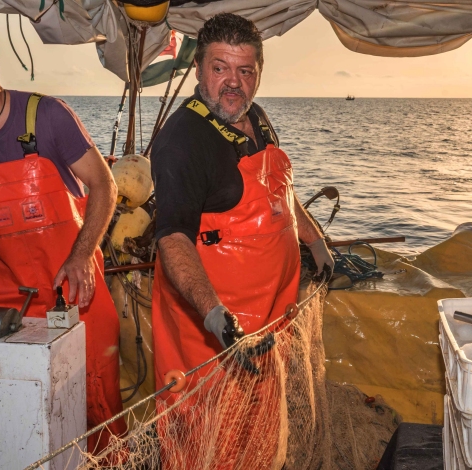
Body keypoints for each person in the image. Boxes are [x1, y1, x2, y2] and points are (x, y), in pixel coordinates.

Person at [0, 26, 125, 449]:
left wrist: (81, 255)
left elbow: (104, 186)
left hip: (76, 289)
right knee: (16, 410)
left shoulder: (48, 115)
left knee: (98, 405)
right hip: (3, 302)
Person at [150, 13, 335, 465]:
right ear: (199, 69)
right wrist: (214, 314)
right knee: (207, 436)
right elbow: (172, 237)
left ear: (258, 73)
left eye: (245, 71)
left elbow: (279, 194)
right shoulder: (181, 141)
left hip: (269, 320)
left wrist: (315, 242)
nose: (233, 83)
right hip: (210, 330)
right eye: (220, 68)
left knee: (258, 428)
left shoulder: (258, 118)